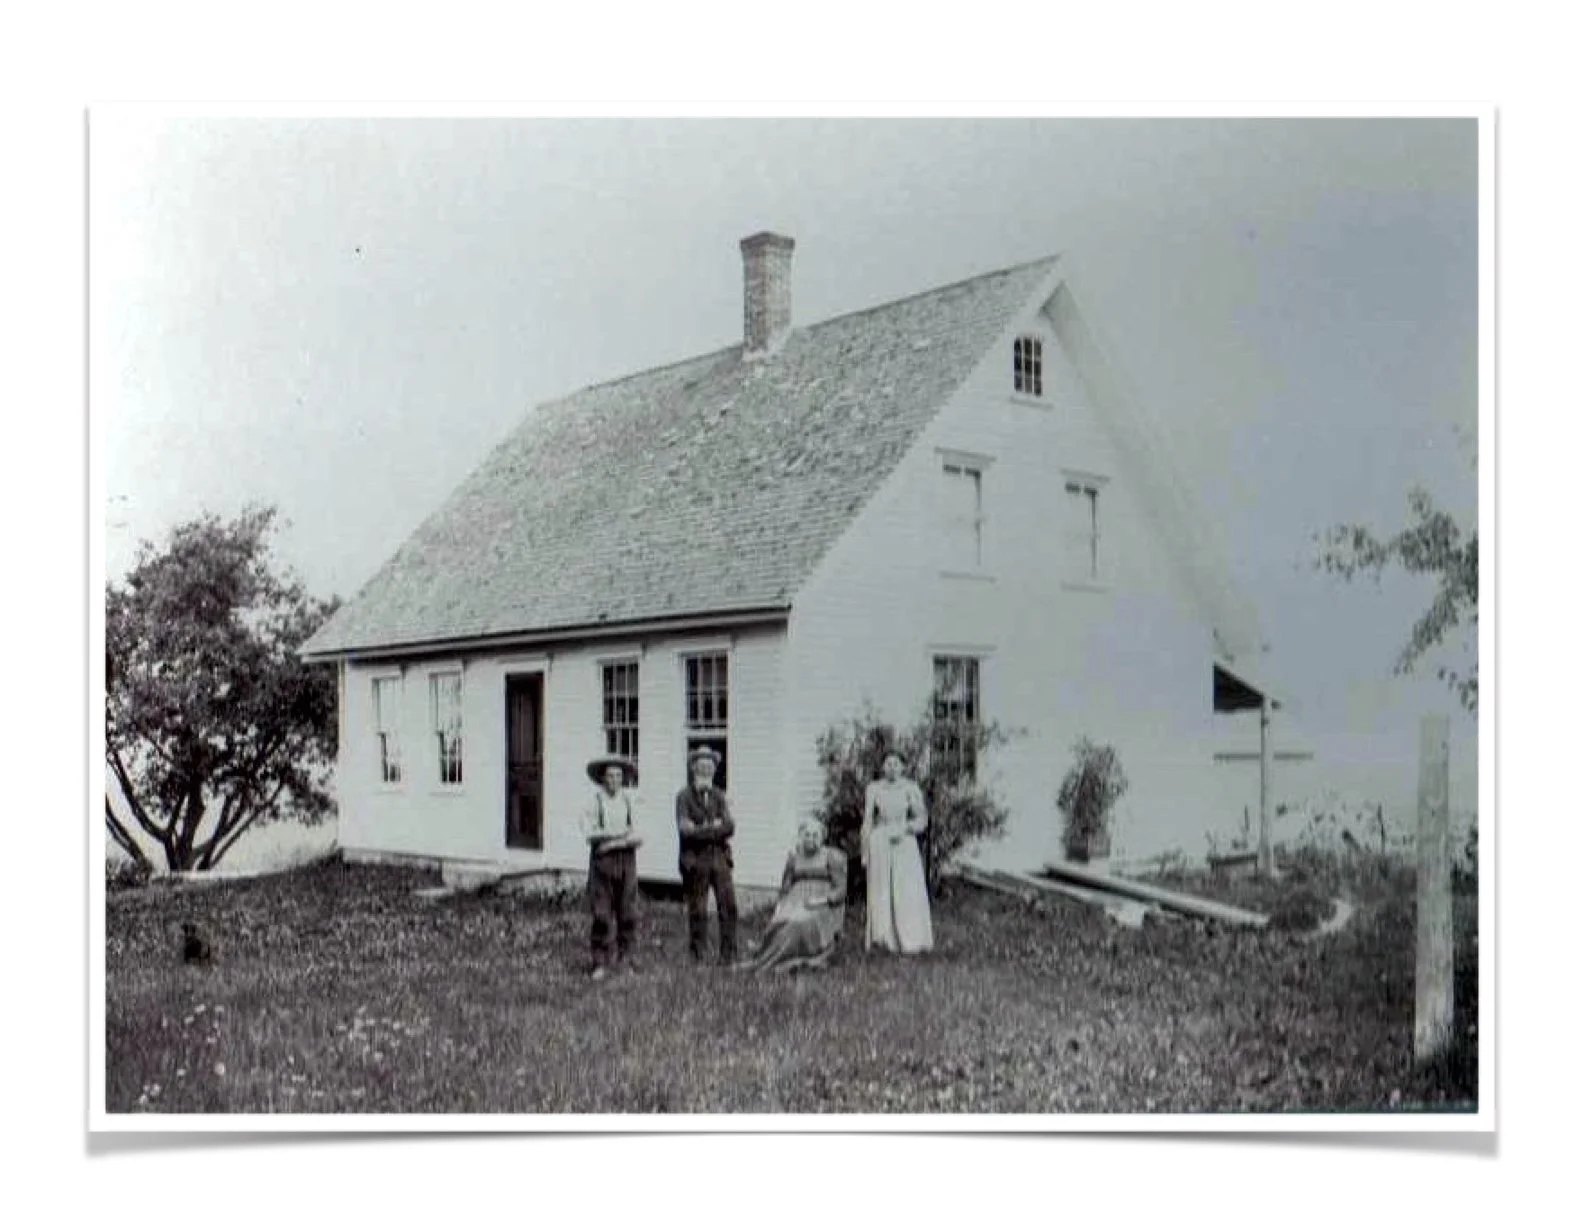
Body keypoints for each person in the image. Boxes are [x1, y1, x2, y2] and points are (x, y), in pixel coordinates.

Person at [738, 816, 848, 973]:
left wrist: (821, 900)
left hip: (820, 905)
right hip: (795, 902)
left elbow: (841, 890)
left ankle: (769, 962)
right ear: (801, 837)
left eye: (815, 835)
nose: (811, 839)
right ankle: (765, 954)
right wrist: (781, 905)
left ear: (822, 837)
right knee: (780, 922)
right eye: (807, 835)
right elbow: (786, 887)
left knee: (797, 925)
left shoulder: (831, 857)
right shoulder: (794, 858)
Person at [861, 747, 934, 954]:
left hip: (903, 841)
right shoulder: (874, 788)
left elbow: (922, 819)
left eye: (896, 763)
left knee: (905, 889)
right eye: (888, 763)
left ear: (903, 767)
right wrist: (865, 850)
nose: (892, 767)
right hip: (880, 840)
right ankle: (883, 938)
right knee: (881, 890)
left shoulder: (910, 788)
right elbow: (867, 820)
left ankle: (910, 938)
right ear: (882, 767)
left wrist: (905, 829)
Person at [580, 754, 642, 979]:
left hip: (626, 861)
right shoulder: (594, 802)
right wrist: (619, 834)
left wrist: (612, 842)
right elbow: (589, 834)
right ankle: (600, 962)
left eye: (618, 776)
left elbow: (639, 836)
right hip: (602, 863)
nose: (614, 780)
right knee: (602, 914)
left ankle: (626, 960)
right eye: (610, 776)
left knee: (628, 912)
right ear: (602, 778)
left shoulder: (629, 800)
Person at [675, 745, 738, 964]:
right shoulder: (683, 796)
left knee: (728, 906)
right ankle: (697, 956)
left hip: (720, 856)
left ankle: (728, 955)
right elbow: (685, 831)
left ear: (714, 770)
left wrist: (701, 828)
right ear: (693, 768)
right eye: (701, 766)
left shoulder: (719, 796)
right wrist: (713, 827)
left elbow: (730, 827)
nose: (706, 770)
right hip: (695, 858)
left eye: (710, 767)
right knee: (698, 909)